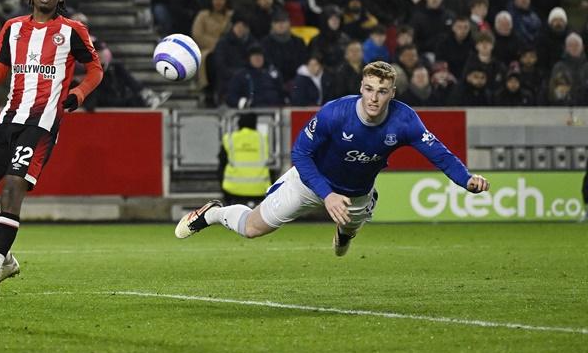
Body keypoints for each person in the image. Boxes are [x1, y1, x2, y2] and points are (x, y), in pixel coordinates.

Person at [175, 61, 490, 257]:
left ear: (393, 93)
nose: (374, 98)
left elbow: (440, 155)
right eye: (369, 89)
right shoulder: (335, 113)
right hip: (310, 184)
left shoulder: (405, 121)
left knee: (347, 237)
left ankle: (346, 230)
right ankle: (214, 213)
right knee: (253, 229)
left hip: (354, 195)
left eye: (382, 91)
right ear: (361, 88)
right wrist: (326, 195)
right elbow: (300, 153)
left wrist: (467, 179)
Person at [0, 0, 102, 297]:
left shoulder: (71, 30)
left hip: (42, 123)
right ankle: (6, 260)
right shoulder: (13, 28)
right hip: (8, 119)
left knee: (12, 187)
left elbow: (95, 68)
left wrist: (78, 94)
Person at [218, 112, 271, 208]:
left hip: (232, 189)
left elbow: (222, 163)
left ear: (238, 124)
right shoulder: (263, 139)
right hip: (260, 189)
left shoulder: (229, 138)